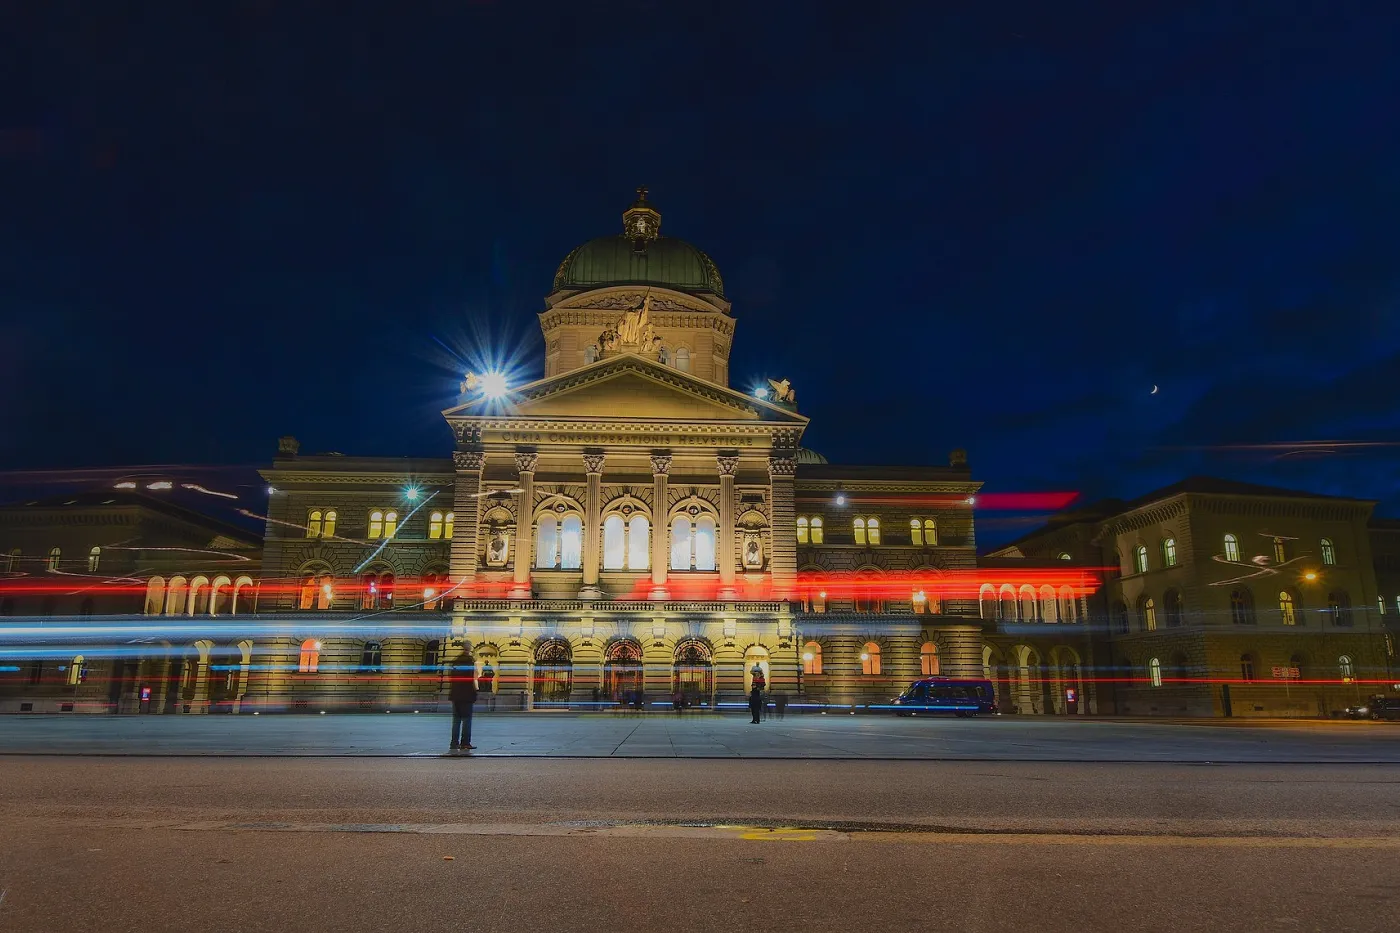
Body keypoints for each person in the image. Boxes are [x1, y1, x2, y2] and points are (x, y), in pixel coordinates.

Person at [448, 653, 479, 751]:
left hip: (455, 695)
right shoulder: (469, 663)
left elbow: (450, 678)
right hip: (466, 695)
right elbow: (472, 679)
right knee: (466, 720)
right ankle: (465, 743)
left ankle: (454, 743)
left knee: (456, 721)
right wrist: (474, 693)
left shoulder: (455, 662)